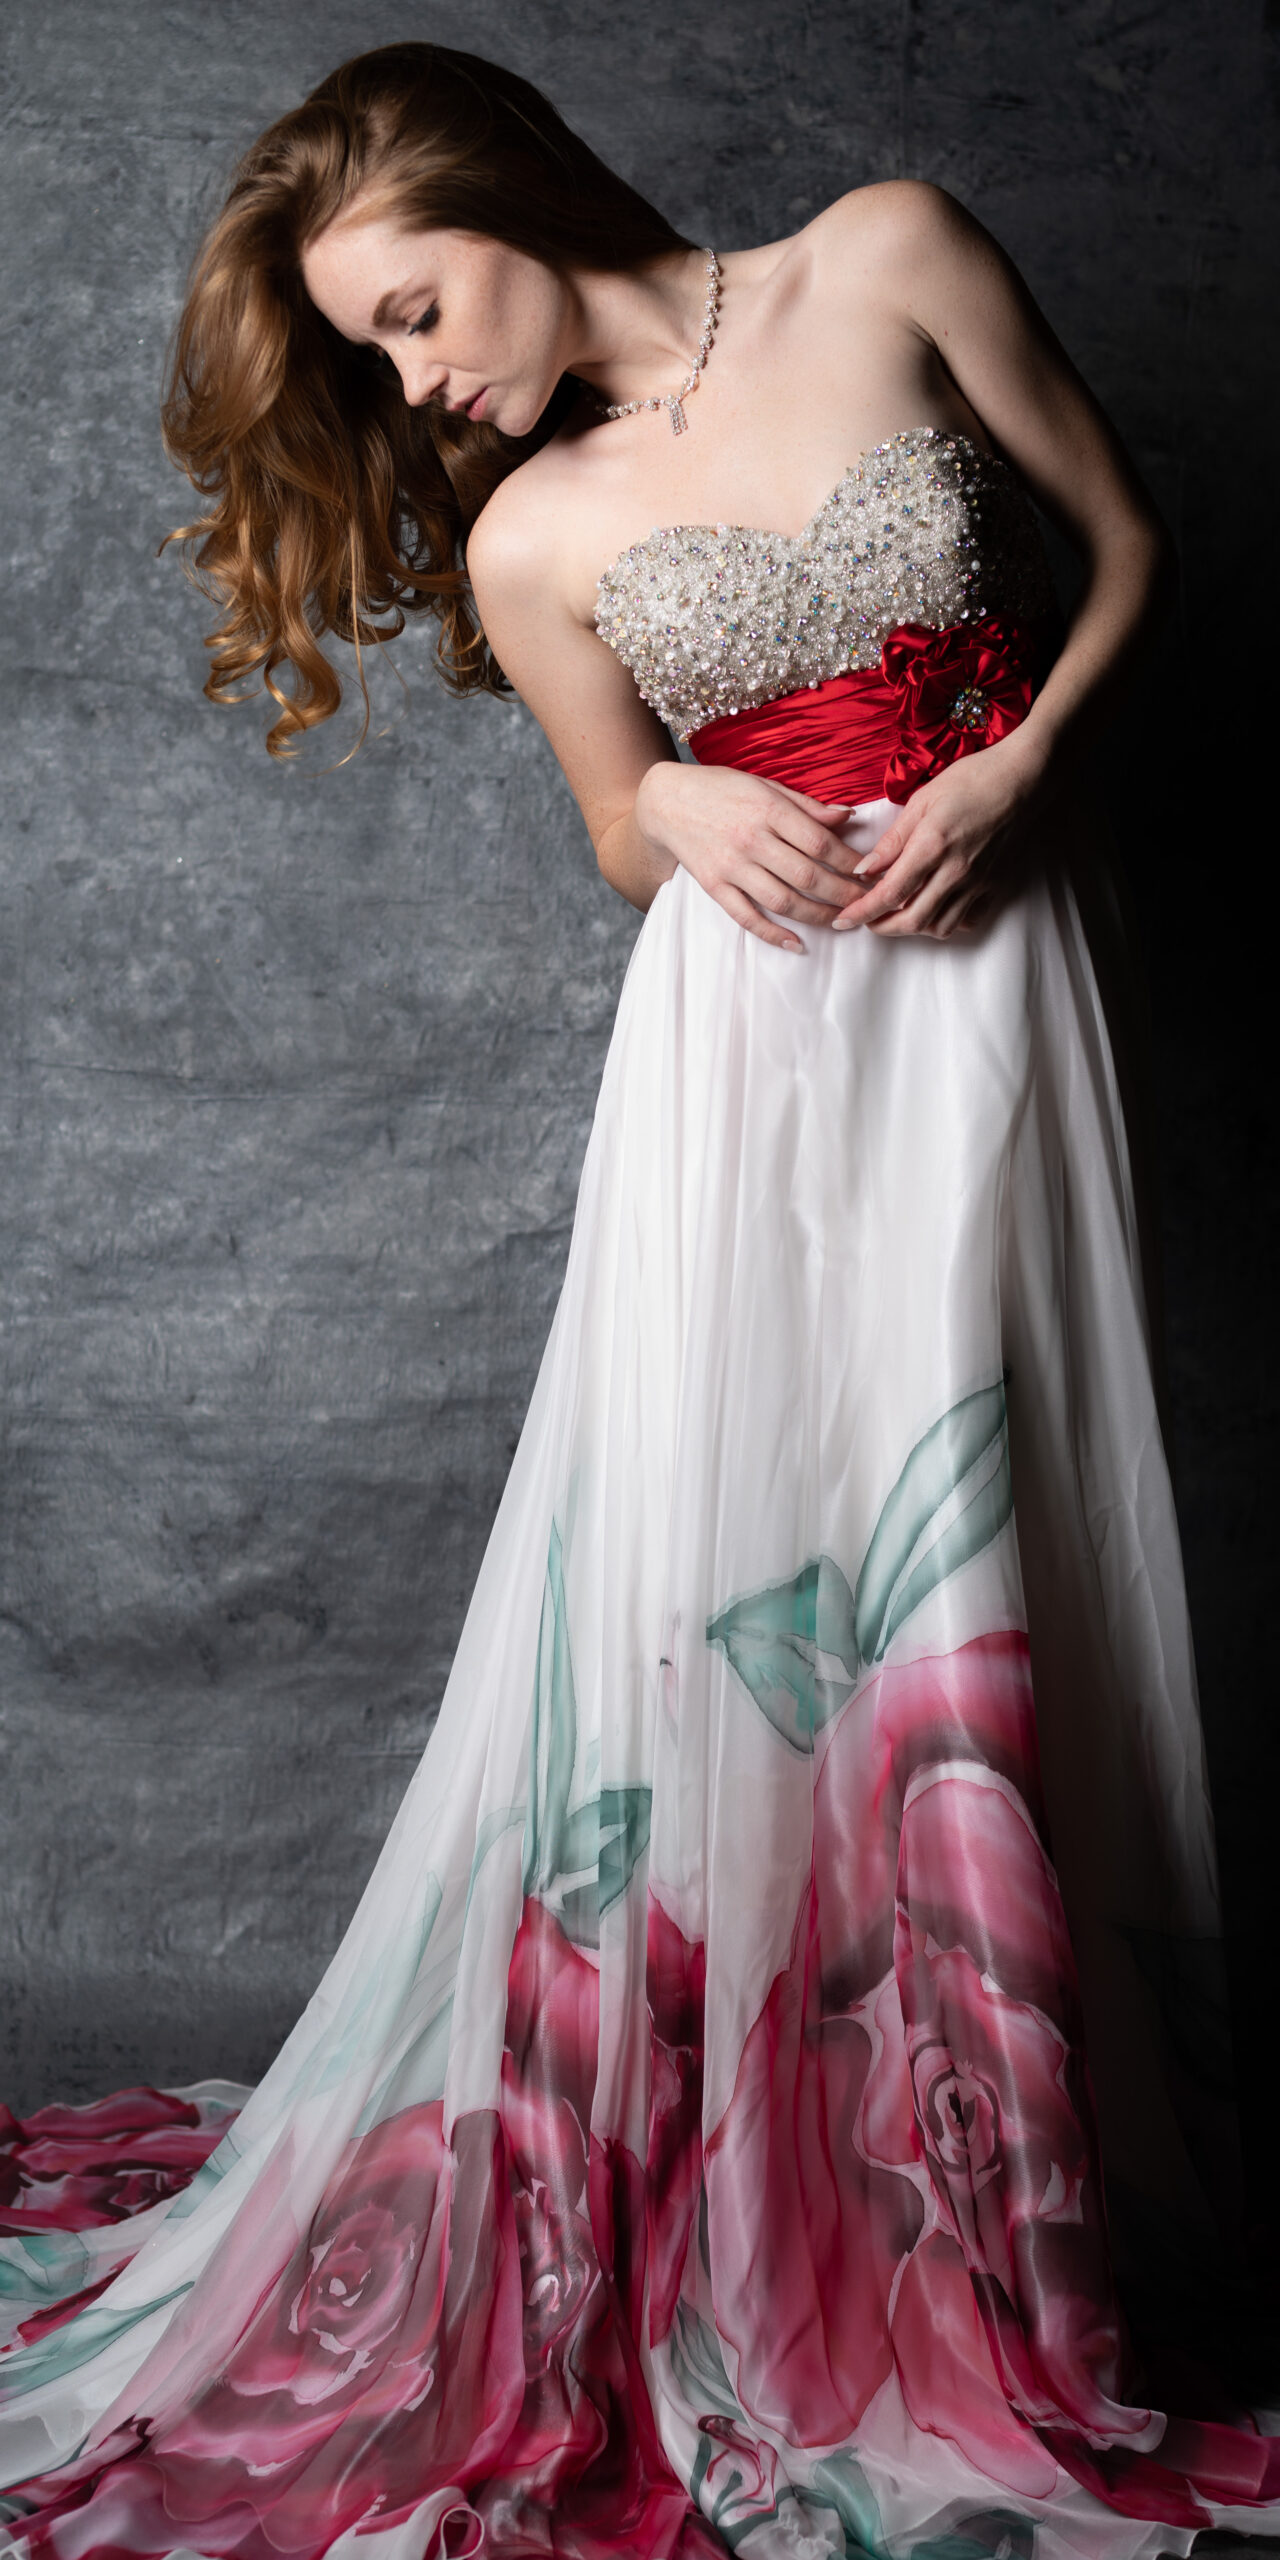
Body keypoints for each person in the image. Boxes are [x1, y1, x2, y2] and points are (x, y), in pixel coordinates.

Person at [0, 39, 1273, 2560]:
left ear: (496, 189)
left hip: (991, 992)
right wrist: (668, 796)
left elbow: (1125, 549)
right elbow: (612, 822)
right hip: (743, 1060)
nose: (413, 376)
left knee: (976, 1524)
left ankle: (1009, 2194)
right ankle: (785, 2188)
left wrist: (1019, 767)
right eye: (371, 355)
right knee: (734, 1565)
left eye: (408, 307)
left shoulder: (884, 258)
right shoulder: (533, 531)